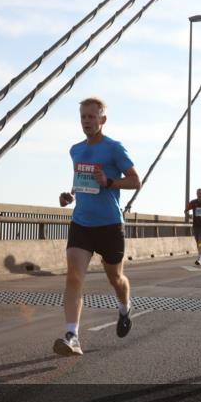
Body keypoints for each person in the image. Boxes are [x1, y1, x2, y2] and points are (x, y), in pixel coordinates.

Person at [55, 97, 141, 356]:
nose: (87, 121)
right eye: (83, 117)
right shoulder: (75, 150)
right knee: (74, 277)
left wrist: (109, 181)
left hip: (110, 224)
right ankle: (72, 335)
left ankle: (124, 307)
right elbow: (83, 182)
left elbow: (135, 181)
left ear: (102, 120)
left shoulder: (114, 148)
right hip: (81, 222)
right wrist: (70, 196)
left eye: (92, 117)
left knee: (116, 278)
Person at [185, 188, 201, 265]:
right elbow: (186, 210)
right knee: (198, 242)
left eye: (200, 193)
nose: (199, 194)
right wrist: (187, 214)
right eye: (198, 193)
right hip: (195, 225)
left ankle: (199, 259)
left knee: (200, 240)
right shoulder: (193, 202)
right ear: (196, 193)